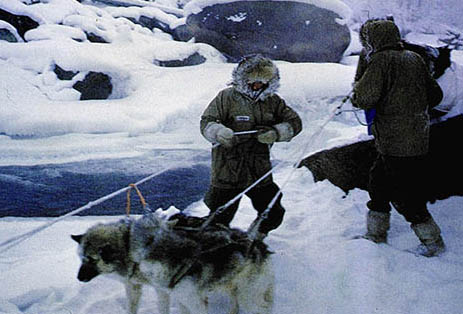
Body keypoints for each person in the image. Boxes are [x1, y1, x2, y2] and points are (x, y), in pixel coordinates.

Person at [351, 19, 445, 257]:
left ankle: (433, 242)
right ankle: (375, 234)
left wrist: (360, 82)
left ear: (373, 39)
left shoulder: (381, 60)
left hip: (396, 141)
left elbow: (364, 98)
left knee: (405, 196)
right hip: (416, 137)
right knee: (378, 183)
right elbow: (435, 96)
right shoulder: (414, 58)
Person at [200, 54, 302, 239]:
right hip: (227, 170)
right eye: (253, 82)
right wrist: (219, 132)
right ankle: (210, 251)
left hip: (259, 170)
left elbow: (294, 122)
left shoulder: (274, 101)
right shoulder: (226, 97)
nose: (257, 86)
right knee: (218, 220)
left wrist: (276, 133)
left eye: (262, 82)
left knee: (273, 212)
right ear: (243, 79)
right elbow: (207, 122)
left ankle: (253, 241)